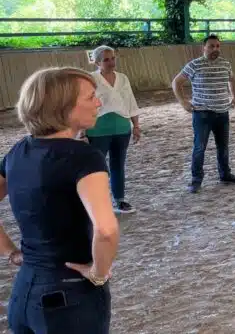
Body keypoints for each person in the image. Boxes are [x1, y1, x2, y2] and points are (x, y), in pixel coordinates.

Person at [1, 67, 119, 333]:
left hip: (24, 293)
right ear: (63, 107)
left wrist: (11, 252)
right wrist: (98, 273)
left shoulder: (18, 151)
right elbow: (106, 230)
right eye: (90, 97)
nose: (98, 103)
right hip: (69, 298)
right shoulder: (82, 156)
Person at [172, 34, 235, 193]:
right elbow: (176, 82)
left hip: (222, 112)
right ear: (203, 47)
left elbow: (232, 80)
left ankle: (225, 174)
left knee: (223, 146)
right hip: (202, 113)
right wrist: (183, 102)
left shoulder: (225, 64)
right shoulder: (194, 65)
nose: (215, 49)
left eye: (217, 46)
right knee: (199, 147)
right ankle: (196, 179)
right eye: (211, 46)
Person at [84, 45, 141, 214]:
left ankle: (120, 199)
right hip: (97, 129)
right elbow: (84, 104)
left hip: (122, 127)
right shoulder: (90, 79)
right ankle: (95, 203)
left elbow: (130, 101)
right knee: (96, 167)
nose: (111, 62)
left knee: (118, 165)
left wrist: (136, 125)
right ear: (97, 63)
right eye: (106, 60)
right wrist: (82, 131)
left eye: (113, 58)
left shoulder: (123, 78)